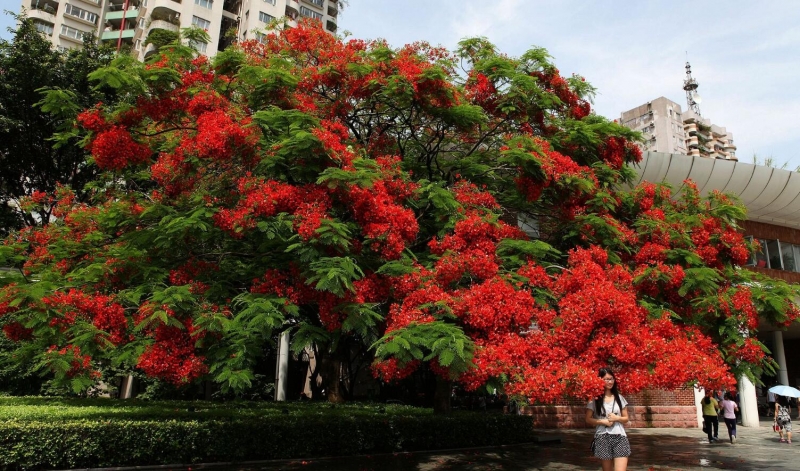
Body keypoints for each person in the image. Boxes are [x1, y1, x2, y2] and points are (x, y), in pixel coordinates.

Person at [586, 367, 630, 471]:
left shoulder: (620, 398)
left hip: (620, 437)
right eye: (606, 379)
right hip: (603, 437)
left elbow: (626, 418)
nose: (610, 381)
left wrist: (617, 418)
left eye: (611, 379)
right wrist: (603, 421)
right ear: (600, 380)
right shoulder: (594, 399)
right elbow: (588, 419)